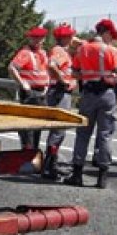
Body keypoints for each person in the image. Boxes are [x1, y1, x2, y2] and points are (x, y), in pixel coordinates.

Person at [64, 19, 117, 189]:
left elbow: (75, 72)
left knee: (83, 133)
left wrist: (86, 76)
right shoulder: (113, 51)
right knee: (105, 134)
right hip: (107, 95)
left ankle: (77, 174)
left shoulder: (82, 49)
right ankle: (102, 177)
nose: (111, 38)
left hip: (88, 94)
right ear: (106, 32)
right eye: (110, 35)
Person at [41, 23, 77, 180]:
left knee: (59, 131)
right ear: (64, 37)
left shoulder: (63, 51)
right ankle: (50, 166)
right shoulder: (59, 51)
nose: (72, 38)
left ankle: (51, 164)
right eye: (69, 36)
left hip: (60, 92)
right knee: (58, 130)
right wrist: (63, 81)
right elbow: (52, 66)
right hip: (60, 92)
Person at [8, 26, 50, 150]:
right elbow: (12, 67)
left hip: (41, 93)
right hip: (31, 93)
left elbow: (44, 71)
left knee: (38, 126)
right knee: (29, 127)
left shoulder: (42, 53)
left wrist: (46, 85)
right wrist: (23, 84)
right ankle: (27, 152)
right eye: (34, 38)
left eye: (40, 38)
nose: (37, 40)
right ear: (30, 38)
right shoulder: (26, 53)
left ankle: (33, 153)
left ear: (44, 39)